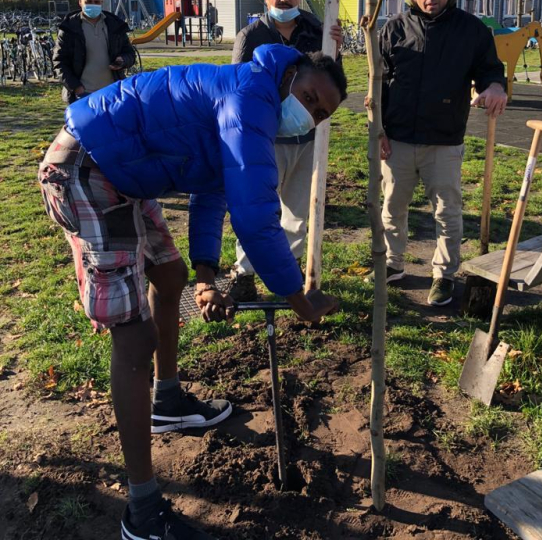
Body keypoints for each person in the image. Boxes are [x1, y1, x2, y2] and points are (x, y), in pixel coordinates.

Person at [38, 44, 346, 540]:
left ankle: (168, 400)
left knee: (172, 279)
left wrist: (207, 275)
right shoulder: (250, 97)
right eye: (309, 97)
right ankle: (141, 513)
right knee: (134, 339)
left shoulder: (251, 102)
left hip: (124, 175)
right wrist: (300, 301)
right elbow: (255, 220)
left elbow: (214, 191)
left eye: (319, 113)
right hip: (86, 169)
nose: (308, 113)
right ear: (291, 74)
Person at [378, 0, 507, 307]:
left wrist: (495, 86)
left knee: (447, 212)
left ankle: (444, 274)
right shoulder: (394, 30)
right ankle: (392, 263)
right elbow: (377, 88)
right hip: (398, 139)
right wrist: (378, 130)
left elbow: (491, 70)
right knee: (392, 207)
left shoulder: (472, 30)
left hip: (444, 140)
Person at [230, 0, 343, 300]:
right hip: (265, 139)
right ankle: (244, 272)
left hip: (308, 136)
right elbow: (237, 87)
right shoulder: (251, 36)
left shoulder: (317, 31)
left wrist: (337, 48)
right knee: (256, 206)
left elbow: (332, 79)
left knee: (297, 206)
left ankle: (290, 264)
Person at [53, 0, 136, 103]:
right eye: (88, 1)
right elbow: (59, 62)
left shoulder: (115, 25)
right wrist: (76, 88)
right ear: (80, 2)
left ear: (101, 2)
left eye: (96, 2)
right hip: (82, 95)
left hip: (112, 93)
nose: (92, 5)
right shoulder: (69, 28)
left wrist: (123, 60)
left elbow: (130, 54)